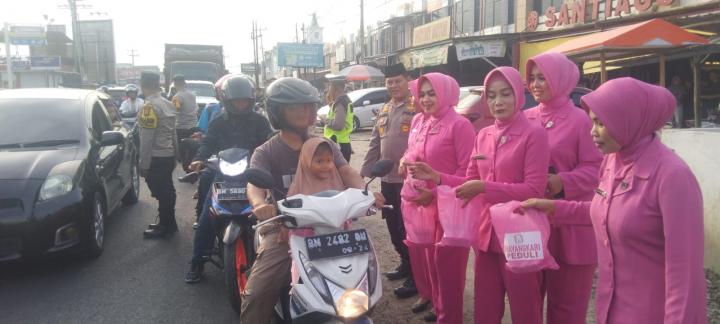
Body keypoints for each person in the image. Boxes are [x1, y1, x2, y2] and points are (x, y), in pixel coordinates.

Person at [523, 77, 706, 324]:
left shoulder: (673, 177)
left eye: (600, 123)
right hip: (611, 309)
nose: (592, 132)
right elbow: (609, 211)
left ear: (628, 119)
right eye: (592, 122)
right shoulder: (613, 160)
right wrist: (554, 208)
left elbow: (685, 276)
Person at [409, 67, 550, 323]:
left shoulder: (534, 134)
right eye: (491, 96)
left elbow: (533, 190)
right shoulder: (483, 135)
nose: (498, 102)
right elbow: (469, 181)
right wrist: (438, 177)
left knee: (525, 308)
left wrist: (485, 188)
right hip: (486, 234)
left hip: (521, 234)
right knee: (485, 307)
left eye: (505, 94)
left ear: (519, 94)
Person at [242, 77, 378, 323]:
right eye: (298, 106)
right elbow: (254, 184)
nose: (308, 112)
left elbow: (346, 170)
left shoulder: (324, 145)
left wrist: (365, 193)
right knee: (258, 292)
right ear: (277, 111)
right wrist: (260, 204)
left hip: (333, 230)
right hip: (286, 231)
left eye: (311, 105)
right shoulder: (267, 151)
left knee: (365, 283)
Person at [524, 52, 602, 324]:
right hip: (532, 222)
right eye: (531, 78)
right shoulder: (525, 118)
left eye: (542, 77)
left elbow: (597, 169)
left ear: (560, 79)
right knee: (528, 299)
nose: (535, 84)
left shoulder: (582, 120)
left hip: (570, 226)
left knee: (567, 306)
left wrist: (563, 181)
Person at [401, 72, 475, 322]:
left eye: (432, 93)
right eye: (422, 94)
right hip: (420, 203)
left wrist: (434, 193)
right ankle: (431, 297)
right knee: (424, 256)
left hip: (449, 206)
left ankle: (448, 313)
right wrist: (404, 161)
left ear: (446, 94)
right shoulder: (419, 121)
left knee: (448, 266)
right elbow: (411, 151)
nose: (426, 99)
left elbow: (467, 173)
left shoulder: (459, 125)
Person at [184, 75, 273, 283]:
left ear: (251, 101)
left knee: (271, 215)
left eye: (245, 101)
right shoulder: (217, 122)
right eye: (237, 102)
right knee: (207, 218)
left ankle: (275, 257)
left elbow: (270, 141)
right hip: (223, 174)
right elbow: (207, 144)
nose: (241, 105)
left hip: (252, 175)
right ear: (227, 101)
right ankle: (197, 262)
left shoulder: (260, 121)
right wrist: (199, 159)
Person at [360, 63, 416, 293]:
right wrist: (364, 173)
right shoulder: (385, 109)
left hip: (409, 180)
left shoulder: (417, 107)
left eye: (398, 81)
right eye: (389, 82)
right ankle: (405, 263)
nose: (393, 85)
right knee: (393, 226)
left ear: (408, 80)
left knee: (409, 229)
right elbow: (375, 142)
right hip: (387, 180)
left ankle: (416, 275)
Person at [137, 71, 179, 238]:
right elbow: (173, 133)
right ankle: (168, 223)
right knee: (167, 190)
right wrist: (176, 155)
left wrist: (143, 164)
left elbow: (146, 139)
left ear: (142, 84)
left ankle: (165, 226)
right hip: (168, 155)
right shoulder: (168, 104)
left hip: (155, 157)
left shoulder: (149, 107)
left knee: (161, 192)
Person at [171, 75, 199, 173]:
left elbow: (174, 112)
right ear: (184, 83)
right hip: (193, 126)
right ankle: (193, 168)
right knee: (191, 150)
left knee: (182, 152)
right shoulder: (192, 95)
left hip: (181, 127)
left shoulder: (177, 97)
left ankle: (188, 170)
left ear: (175, 84)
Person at [323, 74, 354, 162]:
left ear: (335, 88)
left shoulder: (340, 103)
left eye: (330, 86)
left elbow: (338, 125)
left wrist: (325, 120)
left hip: (337, 144)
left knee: (336, 174)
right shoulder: (345, 101)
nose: (329, 89)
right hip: (342, 143)